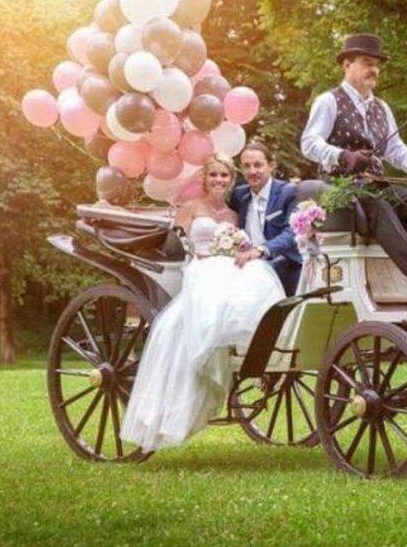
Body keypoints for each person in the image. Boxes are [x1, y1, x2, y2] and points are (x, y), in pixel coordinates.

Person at [121, 154, 285, 452]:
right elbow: (175, 242)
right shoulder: (192, 207)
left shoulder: (234, 216)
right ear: (205, 179)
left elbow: (240, 243)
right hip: (199, 265)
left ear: (230, 180)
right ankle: (209, 346)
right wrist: (198, 255)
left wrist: (234, 248)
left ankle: (248, 345)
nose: (219, 181)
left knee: (257, 280)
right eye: (214, 176)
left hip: (229, 263)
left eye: (224, 176)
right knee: (215, 291)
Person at [301, 33, 407, 295]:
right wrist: (343, 156)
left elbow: (395, 149)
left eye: (377, 64)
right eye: (367, 62)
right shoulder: (329, 101)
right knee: (378, 205)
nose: (374, 69)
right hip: (341, 188)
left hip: (376, 186)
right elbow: (309, 143)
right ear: (347, 65)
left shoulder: (382, 107)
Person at [230, 140, 303, 296]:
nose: (252, 171)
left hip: (282, 265)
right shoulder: (238, 195)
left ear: (271, 166)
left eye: (258, 165)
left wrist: (262, 250)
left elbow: (292, 232)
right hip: (246, 266)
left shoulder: (289, 192)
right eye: (247, 166)